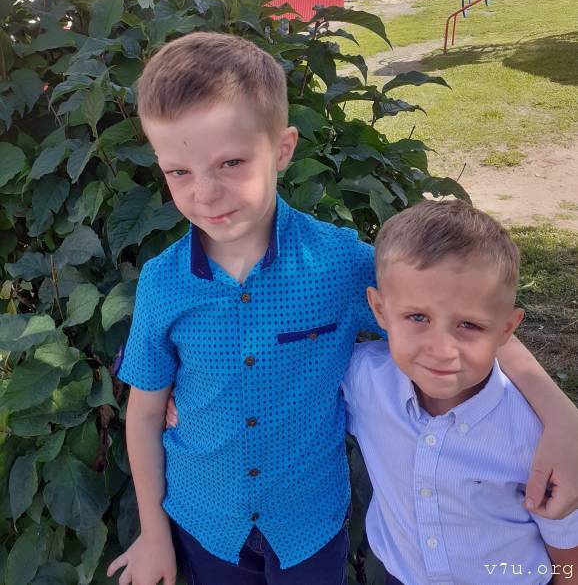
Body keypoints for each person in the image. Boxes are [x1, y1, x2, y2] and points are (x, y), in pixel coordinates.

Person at [107, 31, 578, 585]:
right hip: (205, 520)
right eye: (178, 172)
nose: (204, 193)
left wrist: (562, 417)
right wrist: (153, 533)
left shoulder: (338, 264)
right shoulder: (163, 283)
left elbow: (462, 315)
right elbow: (145, 413)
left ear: (282, 149)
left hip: (310, 523)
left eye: (231, 162)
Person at [342, 200, 578, 585]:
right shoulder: (364, 379)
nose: (441, 349)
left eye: (468, 325)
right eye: (418, 317)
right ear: (380, 310)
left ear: (506, 329)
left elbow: (569, 557)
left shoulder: (537, 437)